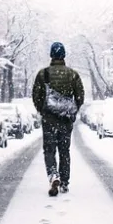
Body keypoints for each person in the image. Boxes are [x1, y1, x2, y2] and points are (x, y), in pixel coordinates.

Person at [32, 42, 85, 196]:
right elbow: (80, 96)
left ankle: (53, 175)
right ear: (64, 55)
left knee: (49, 150)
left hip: (49, 120)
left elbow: (36, 96)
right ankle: (65, 182)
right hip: (65, 120)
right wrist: (72, 111)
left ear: (51, 55)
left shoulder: (44, 74)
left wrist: (43, 110)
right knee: (64, 151)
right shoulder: (72, 74)